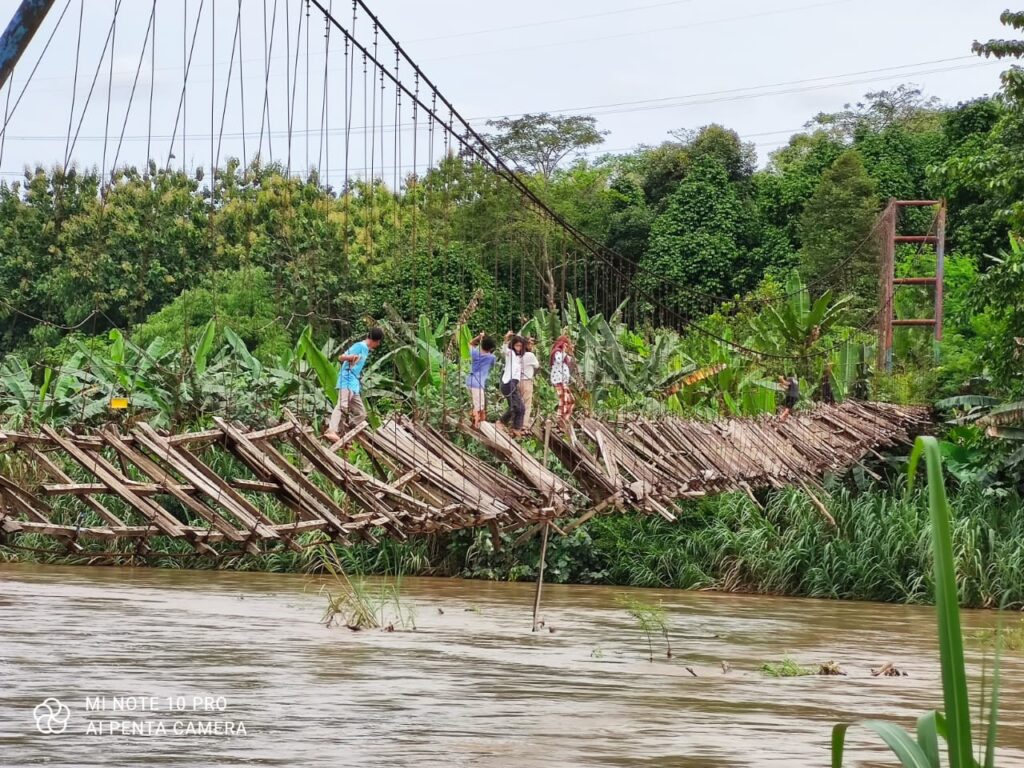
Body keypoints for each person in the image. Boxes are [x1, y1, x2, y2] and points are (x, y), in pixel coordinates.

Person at [324, 327, 383, 441]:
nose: (378, 344)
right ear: (376, 340)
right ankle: (332, 430)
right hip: (346, 379)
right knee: (342, 405)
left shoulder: (366, 349)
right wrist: (350, 357)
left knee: (362, 413)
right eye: (379, 342)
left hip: (354, 383)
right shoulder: (359, 346)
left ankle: (344, 432)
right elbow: (341, 357)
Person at [465, 333, 497, 428]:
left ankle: (477, 423)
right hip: (478, 385)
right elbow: (493, 360)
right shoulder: (491, 357)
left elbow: (470, 343)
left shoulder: (474, 353)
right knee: (478, 407)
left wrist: (479, 338)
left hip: (470, 381)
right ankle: (477, 426)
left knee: (477, 405)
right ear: (491, 348)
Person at [498, 332, 526, 436]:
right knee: (518, 407)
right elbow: (504, 349)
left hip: (513, 383)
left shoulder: (519, 357)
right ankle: (502, 422)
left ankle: (515, 428)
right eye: (517, 345)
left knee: (518, 407)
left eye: (520, 346)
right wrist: (506, 337)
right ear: (513, 345)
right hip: (508, 383)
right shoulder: (511, 354)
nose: (518, 348)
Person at [549, 335, 575, 426]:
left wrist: (570, 351)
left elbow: (571, 362)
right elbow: (559, 360)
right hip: (558, 379)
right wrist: (564, 349)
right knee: (563, 400)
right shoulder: (557, 352)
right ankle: (560, 419)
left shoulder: (563, 354)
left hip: (563, 380)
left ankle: (564, 419)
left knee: (570, 401)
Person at [519, 336, 540, 429]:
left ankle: (516, 423)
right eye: (530, 343)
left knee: (519, 403)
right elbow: (537, 365)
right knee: (527, 404)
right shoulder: (530, 355)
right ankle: (524, 424)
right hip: (527, 381)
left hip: (517, 381)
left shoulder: (517, 354)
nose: (532, 345)